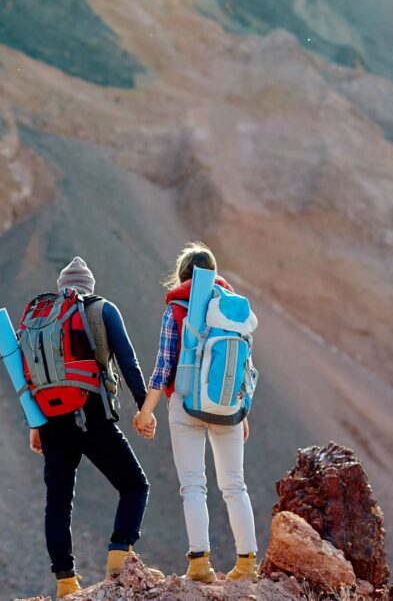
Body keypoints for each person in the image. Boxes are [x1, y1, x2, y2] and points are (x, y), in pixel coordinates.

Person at [28, 257, 162, 598]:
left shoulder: (40, 318)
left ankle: (65, 582)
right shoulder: (102, 309)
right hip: (91, 414)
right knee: (134, 485)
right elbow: (128, 362)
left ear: (61, 288)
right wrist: (144, 408)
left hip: (50, 421)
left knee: (58, 502)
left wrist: (34, 424)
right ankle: (119, 558)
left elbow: (26, 375)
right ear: (90, 286)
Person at [133, 242, 259, 583]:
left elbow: (163, 365)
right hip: (229, 408)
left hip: (185, 405)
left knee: (193, 486)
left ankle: (200, 565)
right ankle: (247, 564)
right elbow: (240, 368)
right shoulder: (234, 311)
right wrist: (241, 412)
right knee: (235, 486)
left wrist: (146, 411)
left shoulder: (176, 306)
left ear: (182, 275)